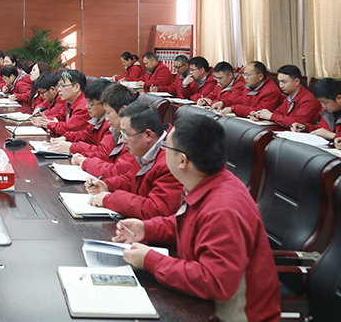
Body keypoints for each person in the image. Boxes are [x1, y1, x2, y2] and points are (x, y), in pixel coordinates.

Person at [113, 115, 280, 322]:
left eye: (166, 147)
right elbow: (190, 224)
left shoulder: (223, 209)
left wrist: (151, 261)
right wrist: (147, 228)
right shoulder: (208, 182)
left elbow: (215, 282)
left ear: (182, 161)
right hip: (202, 303)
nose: (163, 152)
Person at [85, 102, 183, 220]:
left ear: (148, 135)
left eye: (126, 134)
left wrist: (110, 199)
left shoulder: (171, 161)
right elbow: (131, 179)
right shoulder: (146, 149)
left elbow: (157, 209)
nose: (123, 140)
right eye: (121, 133)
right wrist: (107, 185)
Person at [73, 83, 139, 179]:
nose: (107, 119)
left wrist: (84, 161)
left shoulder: (135, 138)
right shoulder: (122, 131)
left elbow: (117, 171)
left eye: (108, 113)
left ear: (123, 111)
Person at [48, 78, 112, 154]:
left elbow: (103, 153)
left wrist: (71, 147)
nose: (87, 107)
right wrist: (65, 138)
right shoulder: (98, 118)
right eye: (87, 103)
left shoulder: (111, 123)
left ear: (105, 104)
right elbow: (85, 135)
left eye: (90, 104)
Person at [252, 64, 322, 127]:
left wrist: (271, 116)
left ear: (296, 81)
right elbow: (277, 114)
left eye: (284, 82)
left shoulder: (309, 99)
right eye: (279, 81)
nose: (281, 85)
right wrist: (261, 116)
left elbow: (298, 123)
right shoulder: (289, 98)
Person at [212, 61, 284, 118]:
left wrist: (234, 109)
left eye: (248, 75)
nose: (245, 78)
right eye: (244, 74)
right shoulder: (250, 86)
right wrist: (223, 103)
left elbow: (260, 111)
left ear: (260, 76)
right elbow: (240, 101)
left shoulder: (271, 91)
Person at [31, 70, 90, 137]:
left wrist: (49, 124)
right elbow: (59, 117)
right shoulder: (69, 102)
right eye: (58, 86)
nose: (59, 89)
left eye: (63, 86)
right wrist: (43, 120)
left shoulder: (84, 107)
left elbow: (68, 129)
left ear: (76, 87)